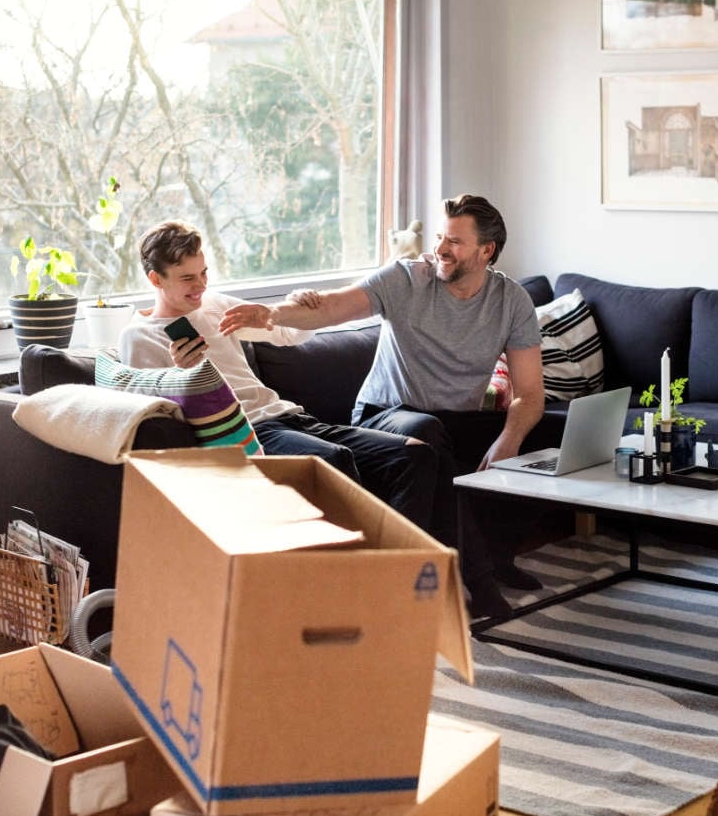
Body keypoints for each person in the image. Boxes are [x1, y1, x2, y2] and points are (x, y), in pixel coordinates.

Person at [218, 194, 546, 619]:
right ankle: (475, 579)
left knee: (529, 431)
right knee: (428, 434)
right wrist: (271, 314)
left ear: (487, 251)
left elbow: (530, 393)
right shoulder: (406, 279)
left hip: (455, 418)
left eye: (456, 242)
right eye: (440, 238)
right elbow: (332, 307)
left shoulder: (512, 301)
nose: (441, 249)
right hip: (386, 415)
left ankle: (497, 558)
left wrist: (509, 439)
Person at [119, 220, 437, 529]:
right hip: (246, 434)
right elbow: (152, 419)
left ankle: (409, 570)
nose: (201, 285)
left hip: (289, 418)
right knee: (333, 461)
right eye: (187, 278)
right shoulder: (140, 337)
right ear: (155, 279)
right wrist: (182, 374)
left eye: (204, 273)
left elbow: (288, 334)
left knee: (414, 455)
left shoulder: (214, 306)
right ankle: (362, 574)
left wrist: (296, 303)